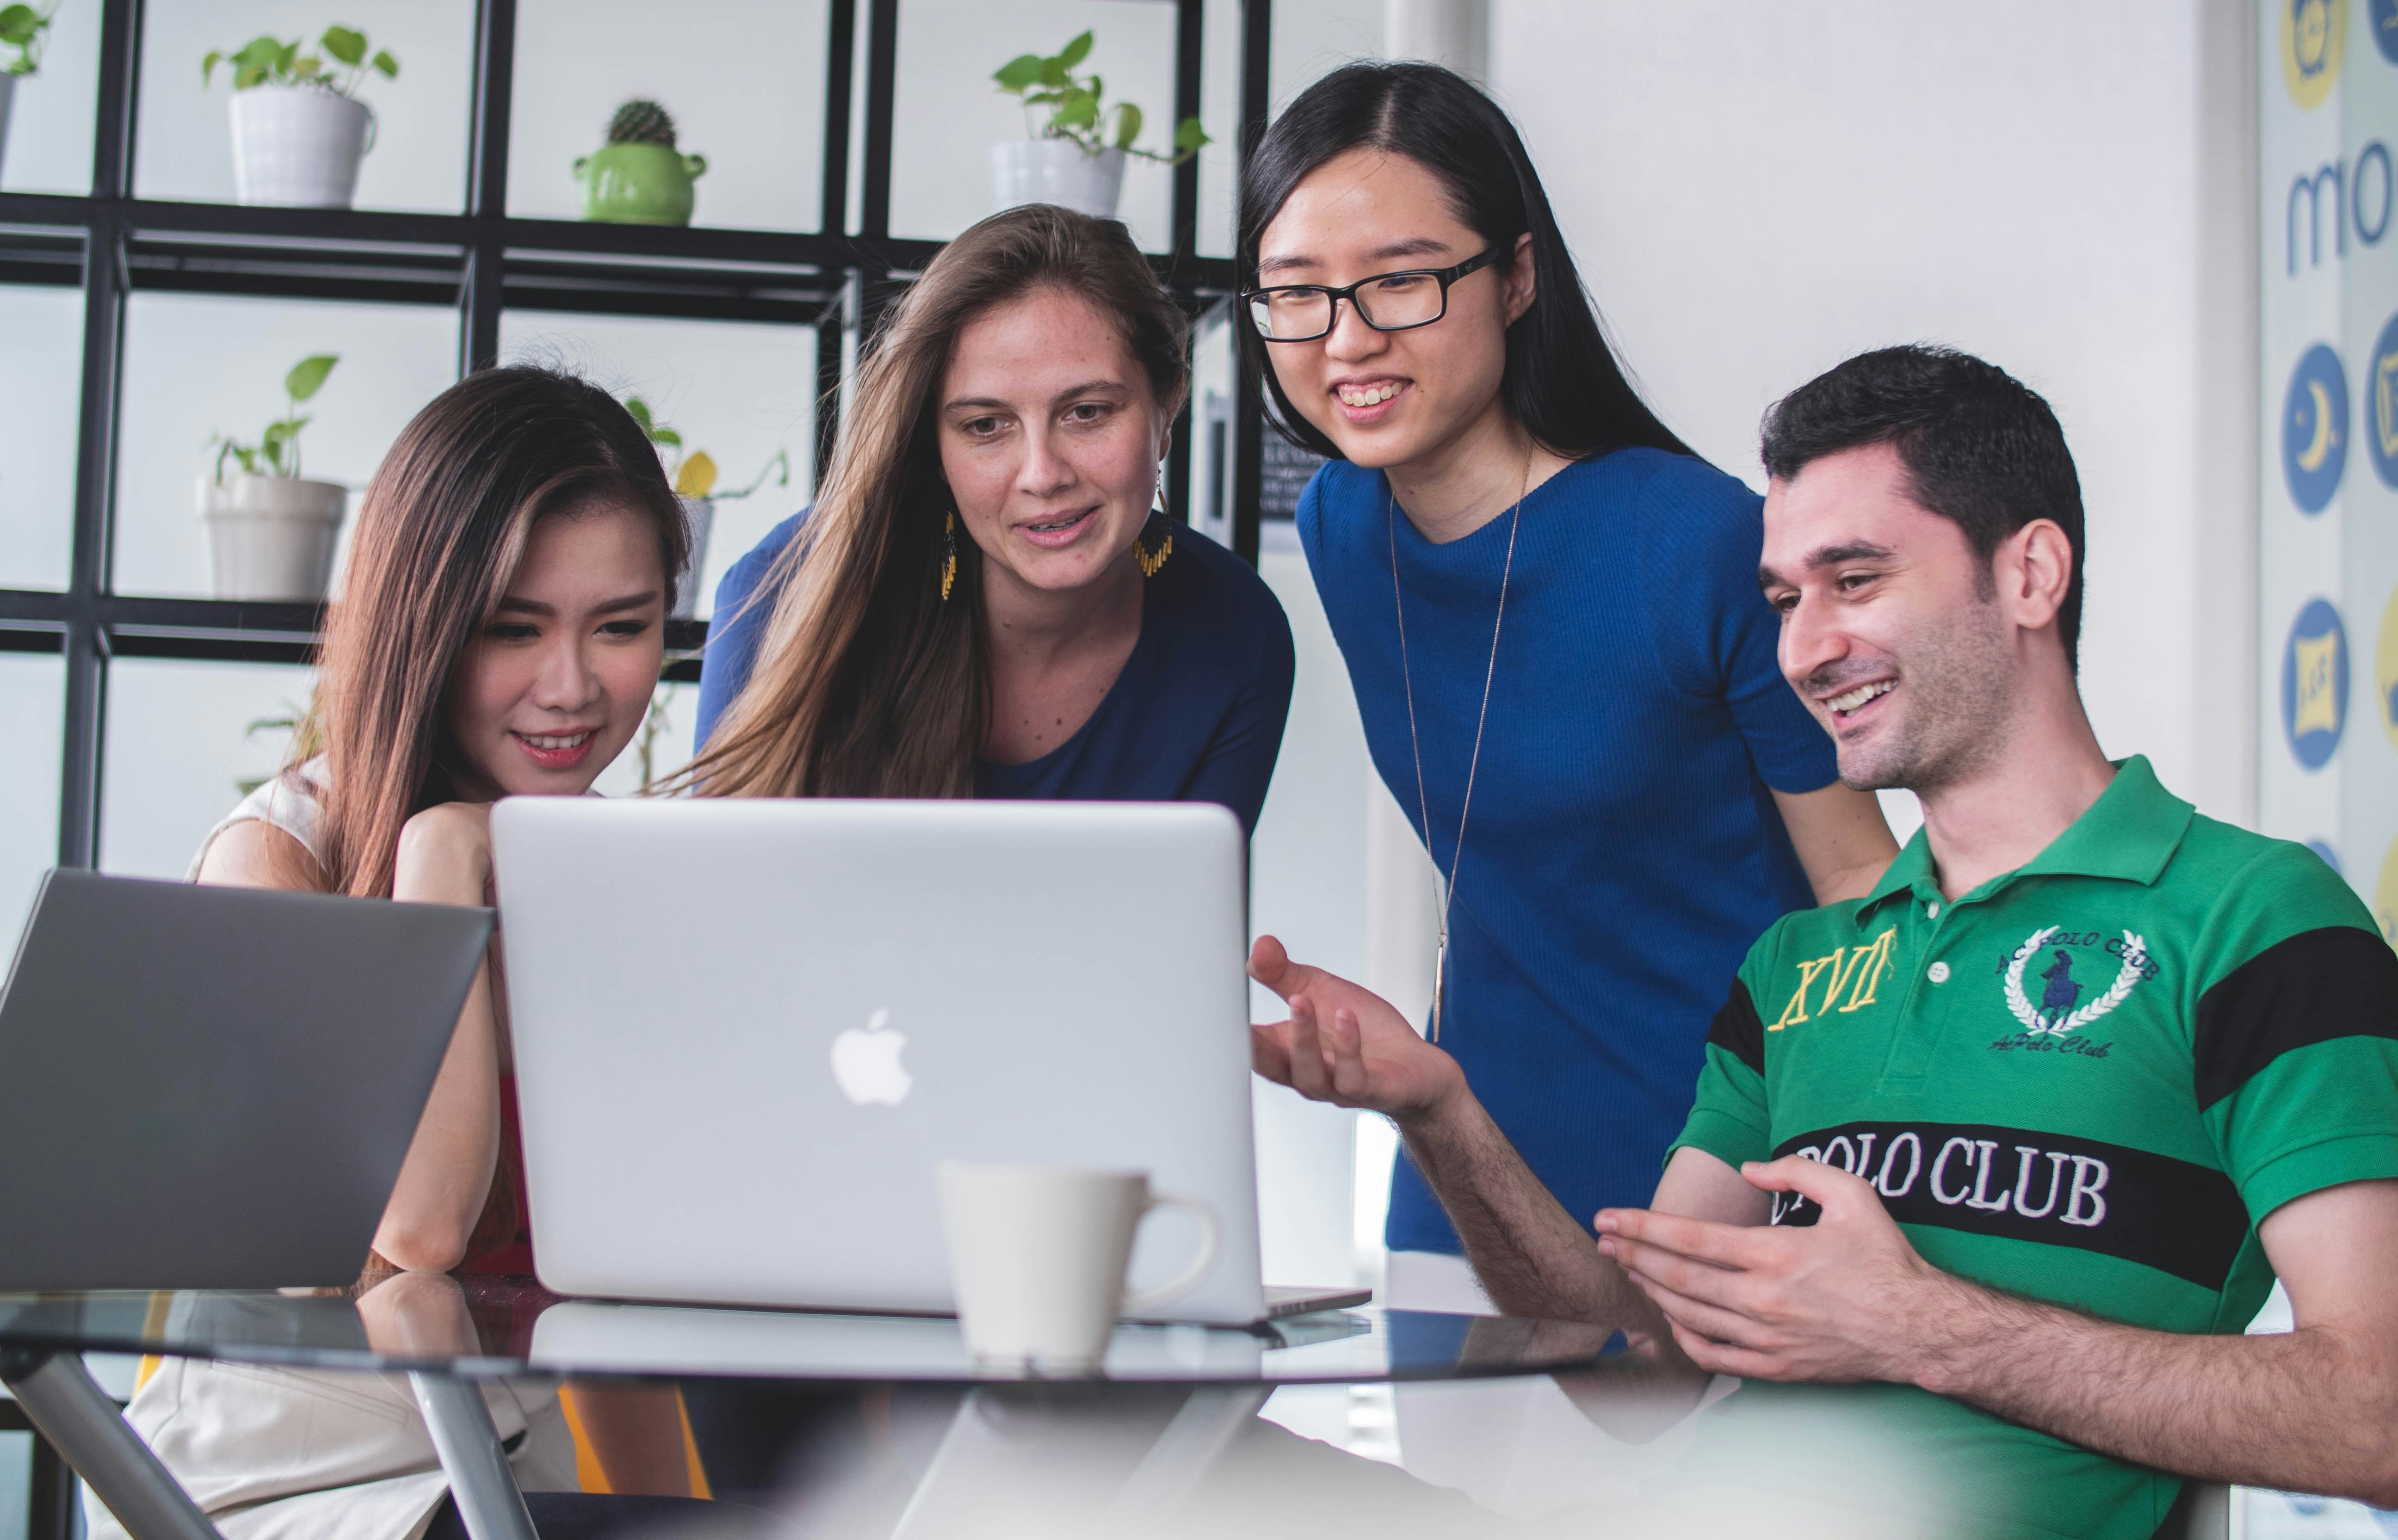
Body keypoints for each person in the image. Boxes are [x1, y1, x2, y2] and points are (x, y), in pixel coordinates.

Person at [1250, 345, 2398, 1538]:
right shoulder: (1796, 968)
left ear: (2031, 574)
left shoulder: (2252, 921)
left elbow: (2377, 1414)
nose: (1804, 650)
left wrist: (1920, 1325)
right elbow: (1647, 1373)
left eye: (1855, 579)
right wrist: (1438, 1112)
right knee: (1196, 1478)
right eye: (1788, 600)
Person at [1240, 59, 1893, 1322]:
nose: (1348, 338)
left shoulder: (1697, 542)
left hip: (1718, 1200)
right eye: (1299, 296)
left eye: (1403, 281)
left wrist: (1837, 1196)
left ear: (1518, 274)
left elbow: (1863, 895)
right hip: (1466, 1189)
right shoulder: (1340, 525)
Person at [100, 367, 757, 1540]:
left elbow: (608, 1315)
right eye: (515, 629)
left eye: (622, 626)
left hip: (503, 1481)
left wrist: (702, 1520)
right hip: (293, 1490)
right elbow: (415, 1233)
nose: (574, 688)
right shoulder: (273, 859)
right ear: (425, 624)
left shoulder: (600, 880)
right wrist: (443, 860)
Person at [688, 203, 1294, 836]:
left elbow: (1180, 926)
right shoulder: (786, 591)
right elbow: (725, 908)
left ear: (1165, 408)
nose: (1042, 473)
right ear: (935, 447)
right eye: (985, 425)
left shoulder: (1238, 636)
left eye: (1087, 411)